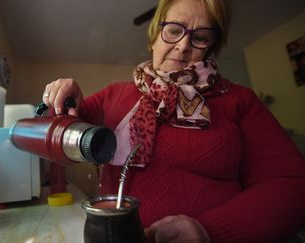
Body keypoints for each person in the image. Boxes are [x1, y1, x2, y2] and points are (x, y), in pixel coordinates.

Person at [42, 0, 305, 242]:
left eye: (200, 37)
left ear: (210, 47)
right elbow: (50, 139)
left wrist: (208, 232)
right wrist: (60, 103)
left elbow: (292, 185)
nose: (182, 46)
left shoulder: (239, 101)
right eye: (172, 31)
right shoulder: (114, 95)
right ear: (154, 37)